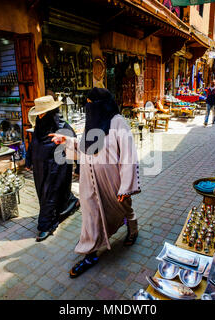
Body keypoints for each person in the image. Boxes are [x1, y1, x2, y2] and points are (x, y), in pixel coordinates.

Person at [49, 88, 140, 278]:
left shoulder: (118, 122)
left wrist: (126, 186)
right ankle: (90, 255)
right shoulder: (93, 122)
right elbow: (85, 147)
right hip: (88, 181)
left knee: (124, 207)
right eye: (87, 103)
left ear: (101, 105)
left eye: (91, 103)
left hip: (112, 181)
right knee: (90, 216)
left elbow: (129, 155)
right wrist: (66, 140)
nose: (88, 107)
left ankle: (133, 229)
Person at [29, 95, 79, 242]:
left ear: (51, 112)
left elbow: (75, 143)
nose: (40, 116)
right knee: (44, 192)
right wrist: (29, 159)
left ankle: (46, 225)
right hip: (40, 166)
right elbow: (34, 142)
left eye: (43, 113)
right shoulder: (39, 123)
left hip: (58, 165)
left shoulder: (62, 125)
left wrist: (79, 168)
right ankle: (71, 202)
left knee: (50, 192)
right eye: (39, 113)